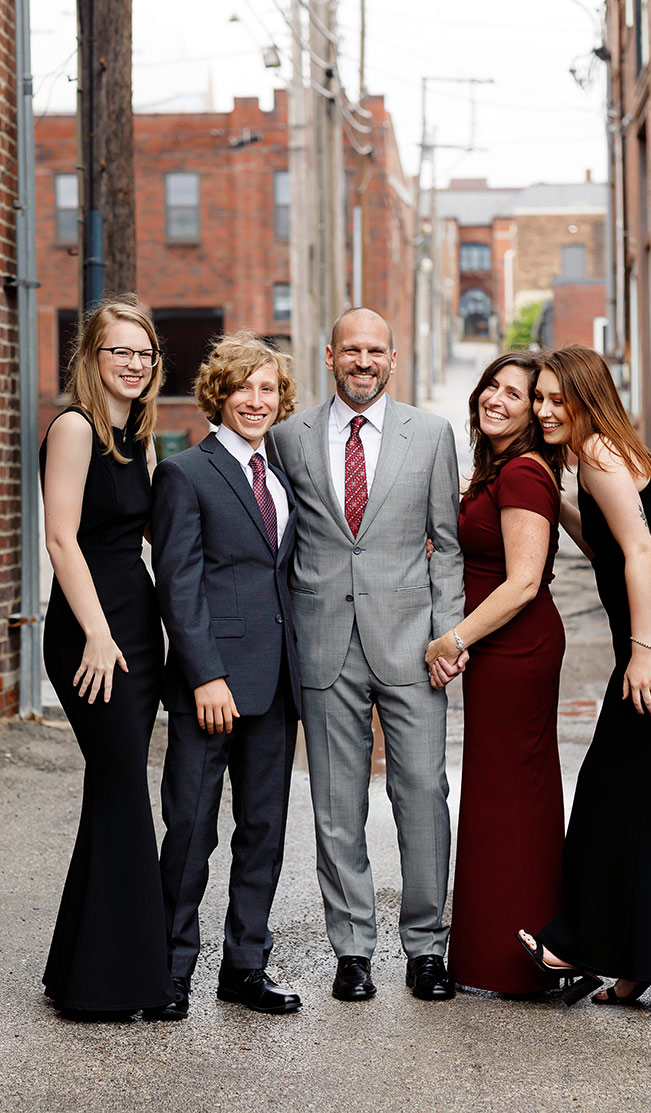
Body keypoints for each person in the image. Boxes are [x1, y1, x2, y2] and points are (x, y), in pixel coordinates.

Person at [518, 344, 651, 1006]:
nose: (544, 410)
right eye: (539, 398)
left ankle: (578, 943)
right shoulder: (601, 454)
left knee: (608, 793)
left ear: (587, 400)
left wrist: (641, 651)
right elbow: (606, 545)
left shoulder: (600, 454)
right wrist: (559, 503)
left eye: (558, 400)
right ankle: (641, 963)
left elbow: (641, 552)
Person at [270, 307, 464, 1002]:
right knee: (334, 803)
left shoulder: (431, 435)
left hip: (413, 644)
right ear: (329, 356)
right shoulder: (288, 437)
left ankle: (427, 948)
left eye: (375, 351)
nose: (363, 361)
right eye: (351, 350)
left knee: (423, 793)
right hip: (323, 641)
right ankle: (351, 950)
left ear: (392, 358)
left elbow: (447, 544)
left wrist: (449, 634)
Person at [150, 332, 302, 1019]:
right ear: (218, 393)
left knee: (263, 830)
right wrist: (206, 675)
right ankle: (170, 967)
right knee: (190, 829)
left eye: (268, 388)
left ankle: (245, 966)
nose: (256, 400)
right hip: (209, 687)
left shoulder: (283, 474)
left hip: (276, 684)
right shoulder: (185, 473)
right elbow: (178, 584)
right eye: (243, 386)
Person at [41, 297, 176, 1019]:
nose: (134, 363)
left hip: (137, 626)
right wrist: (96, 632)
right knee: (124, 787)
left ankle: (80, 966)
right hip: (90, 631)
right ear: (92, 357)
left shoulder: (139, 432)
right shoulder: (73, 427)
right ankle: (121, 981)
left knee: (113, 789)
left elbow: (151, 532)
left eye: (144, 353)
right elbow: (62, 539)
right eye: (119, 351)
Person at [424, 352, 565, 996]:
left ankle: (522, 956)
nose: (497, 399)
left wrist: (452, 639)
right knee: (496, 795)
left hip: (518, 649)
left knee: (513, 798)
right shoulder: (499, 469)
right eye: (492, 386)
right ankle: (499, 953)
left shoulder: (524, 472)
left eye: (515, 393)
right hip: (498, 648)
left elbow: (524, 582)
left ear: (532, 413)